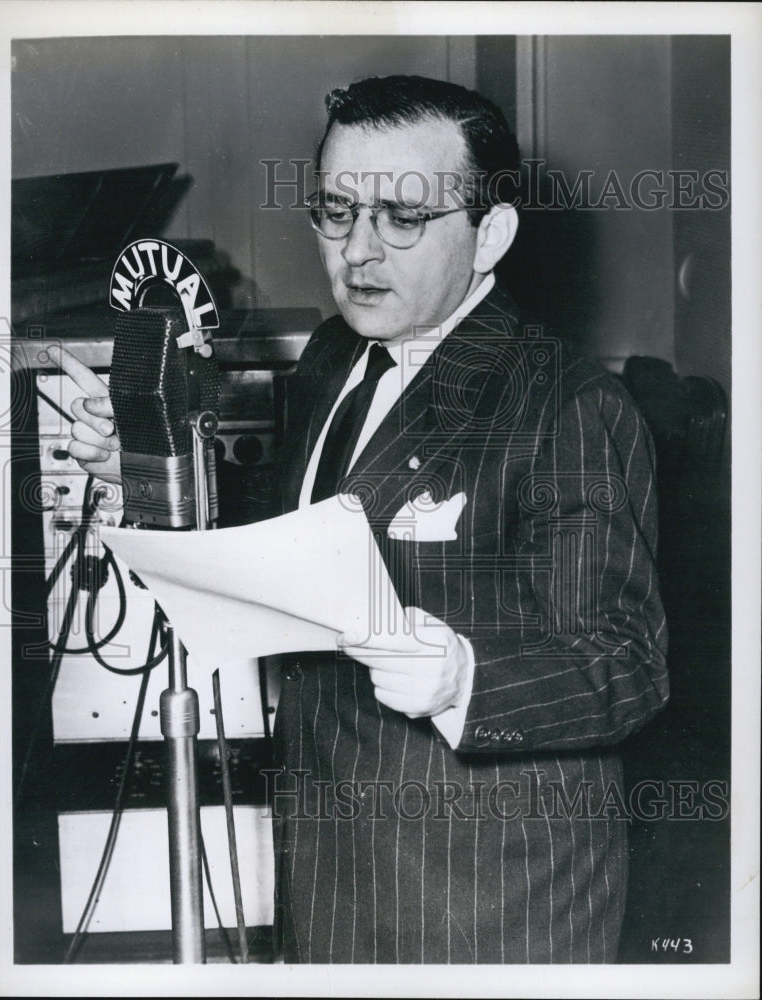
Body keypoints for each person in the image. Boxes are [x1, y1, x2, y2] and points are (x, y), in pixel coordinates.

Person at [50, 75, 668, 964]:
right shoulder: (339, 354)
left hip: (488, 899)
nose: (359, 251)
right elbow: (294, 530)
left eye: (403, 218)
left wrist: (463, 677)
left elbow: (627, 659)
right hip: (331, 871)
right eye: (336, 211)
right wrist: (146, 466)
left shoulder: (565, 405)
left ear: (489, 233)